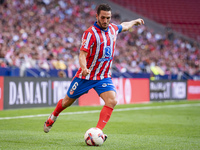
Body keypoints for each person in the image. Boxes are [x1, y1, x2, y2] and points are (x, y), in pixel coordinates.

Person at [44, 3, 144, 141]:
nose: (105, 21)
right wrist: (84, 68)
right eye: (102, 18)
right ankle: (53, 117)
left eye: (108, 18)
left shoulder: (113, 29)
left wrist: (134, 21)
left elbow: (124, 26)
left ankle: (97, 132)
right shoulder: (90, 33)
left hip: (103, 77)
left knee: (112, 100)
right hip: (85, 76)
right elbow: (82, 54)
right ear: (97, 16)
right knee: (67, 102)